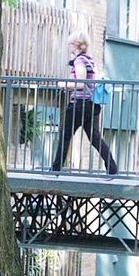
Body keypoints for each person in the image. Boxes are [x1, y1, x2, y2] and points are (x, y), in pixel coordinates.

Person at [50, 30, 118, 175]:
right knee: (95, 137)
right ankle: (112, 167)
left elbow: (80, 83)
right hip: (92, 104)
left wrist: (63, 84)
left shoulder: (79, 61)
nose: (69, 46)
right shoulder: (90, 60)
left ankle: (55, 169)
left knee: (65, 135)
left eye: (70, 44)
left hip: (79, 104)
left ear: (77, 44)